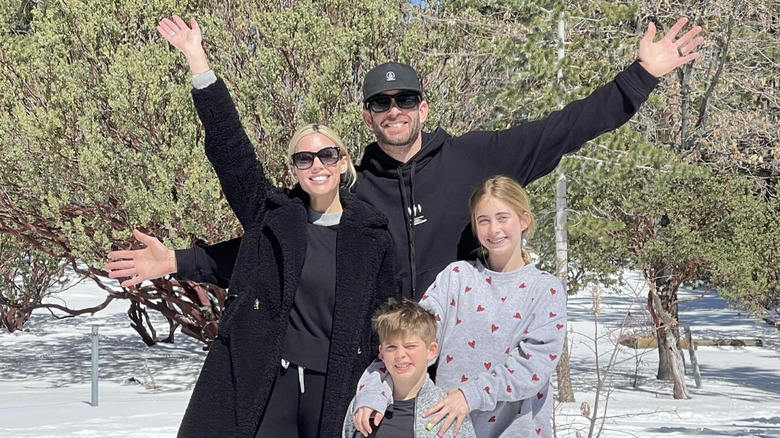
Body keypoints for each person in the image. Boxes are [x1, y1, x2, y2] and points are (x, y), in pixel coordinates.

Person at [107, 17, 703, 300]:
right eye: (381, 102)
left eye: (405, 99)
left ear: (423, 105)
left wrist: (641, 77)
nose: (395, 110)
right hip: (377, 361)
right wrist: (178, 260)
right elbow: (275, 246)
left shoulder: (477, 158)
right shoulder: (347, 183)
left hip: (462, 351)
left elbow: (566, 128)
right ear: (368, 115)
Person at [107, 16, 400, 438]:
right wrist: (197, 60)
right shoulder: (274, 214)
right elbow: (232, 153)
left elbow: (386, 317)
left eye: (327, 155)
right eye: (304, 158)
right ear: (294, 169)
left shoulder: (372, 234)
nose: (316, 165)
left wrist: (384, 383)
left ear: (343, 162)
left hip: (337, 385)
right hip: (270, 378)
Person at [353, 176, 566, 438]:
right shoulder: (456, 277)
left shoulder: (545, 289)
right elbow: (408, 340)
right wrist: (374, 390)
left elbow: (532, 366)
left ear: (524, 221)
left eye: (502, 218)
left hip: (515, 430)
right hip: (448, 429)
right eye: (483, 220)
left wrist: (470, 395)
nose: (494, 229)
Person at [342, 299, 477, 438]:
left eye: (410, 346)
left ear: (431, 350)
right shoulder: (364, 406)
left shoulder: (448, 411)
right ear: (382, 353)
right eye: (391, 347)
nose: (400, 354)